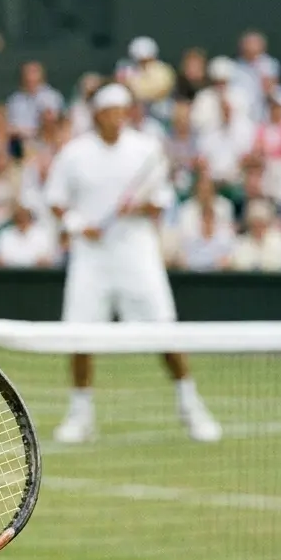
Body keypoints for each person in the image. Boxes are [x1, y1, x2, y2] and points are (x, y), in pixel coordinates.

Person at [46, 83, 221, 444]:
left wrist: (138, 207)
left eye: (123, 110)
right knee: (80, 336)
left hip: (136, 254)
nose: (118, 116)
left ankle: (190, 406)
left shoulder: (146, 150)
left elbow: (161, 203)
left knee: (165, 331)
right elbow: (56, 200)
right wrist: (78, 224)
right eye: (111, 110)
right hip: (90, 259)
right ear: (97, 115)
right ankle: (81, 416)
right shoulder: (74, 154)